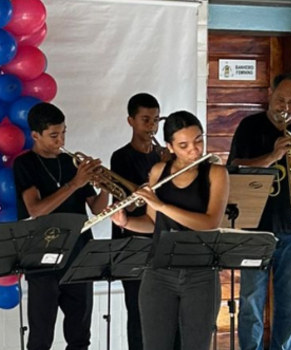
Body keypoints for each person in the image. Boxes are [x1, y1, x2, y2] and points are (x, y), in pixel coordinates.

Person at [112, 111, 229, 350]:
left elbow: (210, 223)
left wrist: (162, 205)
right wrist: (125, 222)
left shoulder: (216, 173)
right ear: (170, 147)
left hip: (200, 274)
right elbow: (152, 222)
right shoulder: (159, 171)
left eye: (198, 140)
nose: (194, 150)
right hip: (159, 273)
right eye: (184, 145)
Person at [228, 74, 291, 350]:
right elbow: (234, 168)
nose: (285, 107)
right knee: (250, 303)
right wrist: (272, 156)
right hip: (254, 228)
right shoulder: (250, 126)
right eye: (280, 99)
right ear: (270, 93)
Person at [13, 102, 110, 350]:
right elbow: (36, 209)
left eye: (64, 132)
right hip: (41, 260)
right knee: (40, 339)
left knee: (80, 337)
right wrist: (75, 184)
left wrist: (106, 186)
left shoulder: (71, 163)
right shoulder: (25, 164)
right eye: (54, 135)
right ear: (35, 135)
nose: (61, 140)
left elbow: (97, 209)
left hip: (79, 257)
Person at [109, 93, 164, 350]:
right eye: (146, 120)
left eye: (156, 120)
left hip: (159, 241)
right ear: (130, 121)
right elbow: (128, 205)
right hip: (130, 244)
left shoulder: (162, 157)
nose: (152, 126)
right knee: (138, 313)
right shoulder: (121, 157)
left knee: (161, 314)